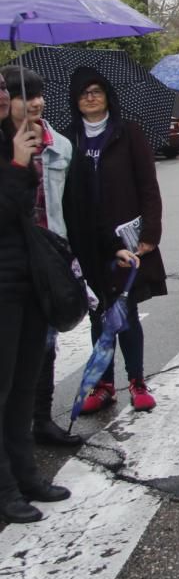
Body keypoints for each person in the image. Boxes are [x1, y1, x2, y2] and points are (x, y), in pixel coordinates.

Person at [0, 68, 137, 524]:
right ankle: (5, 488)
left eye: (12, 92)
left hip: (38, 276)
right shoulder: (17, 153)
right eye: (14, 94)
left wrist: (108, 248)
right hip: (5, 281)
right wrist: (19, 166)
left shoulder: (47, 146)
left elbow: (80, 208)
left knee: (24, 384)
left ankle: (27, 475)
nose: (21, 102)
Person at [64, 67, 166, 415]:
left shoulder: (128, 133)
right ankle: (103, 384)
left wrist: (151, 233)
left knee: (126, 311)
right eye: (83, 93)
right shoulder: (69, 139)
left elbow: (148, 186)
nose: (90, 98)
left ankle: (137, 381)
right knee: (98, 313)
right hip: (89, 240)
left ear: (108, 95)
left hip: (128, 237)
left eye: (96, 91)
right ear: (75, 100)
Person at [0, 68, 80, 446]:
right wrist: (18, 162)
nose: (34, 102)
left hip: (48, 256)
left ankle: (41, 420)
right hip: (13, 265)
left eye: (38, 94)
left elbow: (72, 202)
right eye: (22, 95)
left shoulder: (59, 145)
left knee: (44, 344)